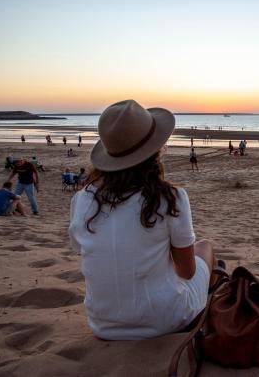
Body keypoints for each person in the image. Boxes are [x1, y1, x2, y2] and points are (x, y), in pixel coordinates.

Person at [68, 99, 218, 340]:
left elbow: (85, 248)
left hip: (102, 324)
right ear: (155, 152)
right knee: (205, 247)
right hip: (164, 320)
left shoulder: (83, 200)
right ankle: (206, 310)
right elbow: (187, 271)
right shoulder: (170, 198)